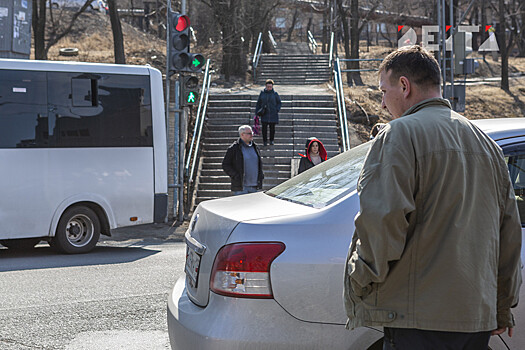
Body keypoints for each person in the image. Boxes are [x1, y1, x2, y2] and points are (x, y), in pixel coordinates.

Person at [343, 45, 522, 349]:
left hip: (417, 319)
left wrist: (357, 279)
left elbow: (383, 223)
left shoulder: (398, 134)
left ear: (404, 86)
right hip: (474, 319)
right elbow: (508, 234)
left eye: (383, 91)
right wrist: (501, 306)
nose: (383, 104)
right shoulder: (487, 145)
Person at [222, 125, 264, 195]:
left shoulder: (255, 147)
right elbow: (225, 165)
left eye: (252, 133)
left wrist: (261, 176)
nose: (252, 135)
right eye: (249, 133)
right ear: (242, 134)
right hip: (241, 188)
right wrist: (235, 175)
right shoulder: (234, 148)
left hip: (255, 187)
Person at [255, 79, 281, 146]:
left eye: (270, 87)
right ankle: (265, 141)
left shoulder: (275, 94)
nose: (269, 88)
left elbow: (279, 103)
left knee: (272, 128)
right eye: (268, 86)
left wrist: (277, 109)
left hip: (273, 114)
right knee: (264, 129)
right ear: (265, 86)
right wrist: (257, 112)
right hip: (264, 113)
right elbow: (258, 103)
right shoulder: (262, 93)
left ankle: (271, 140)